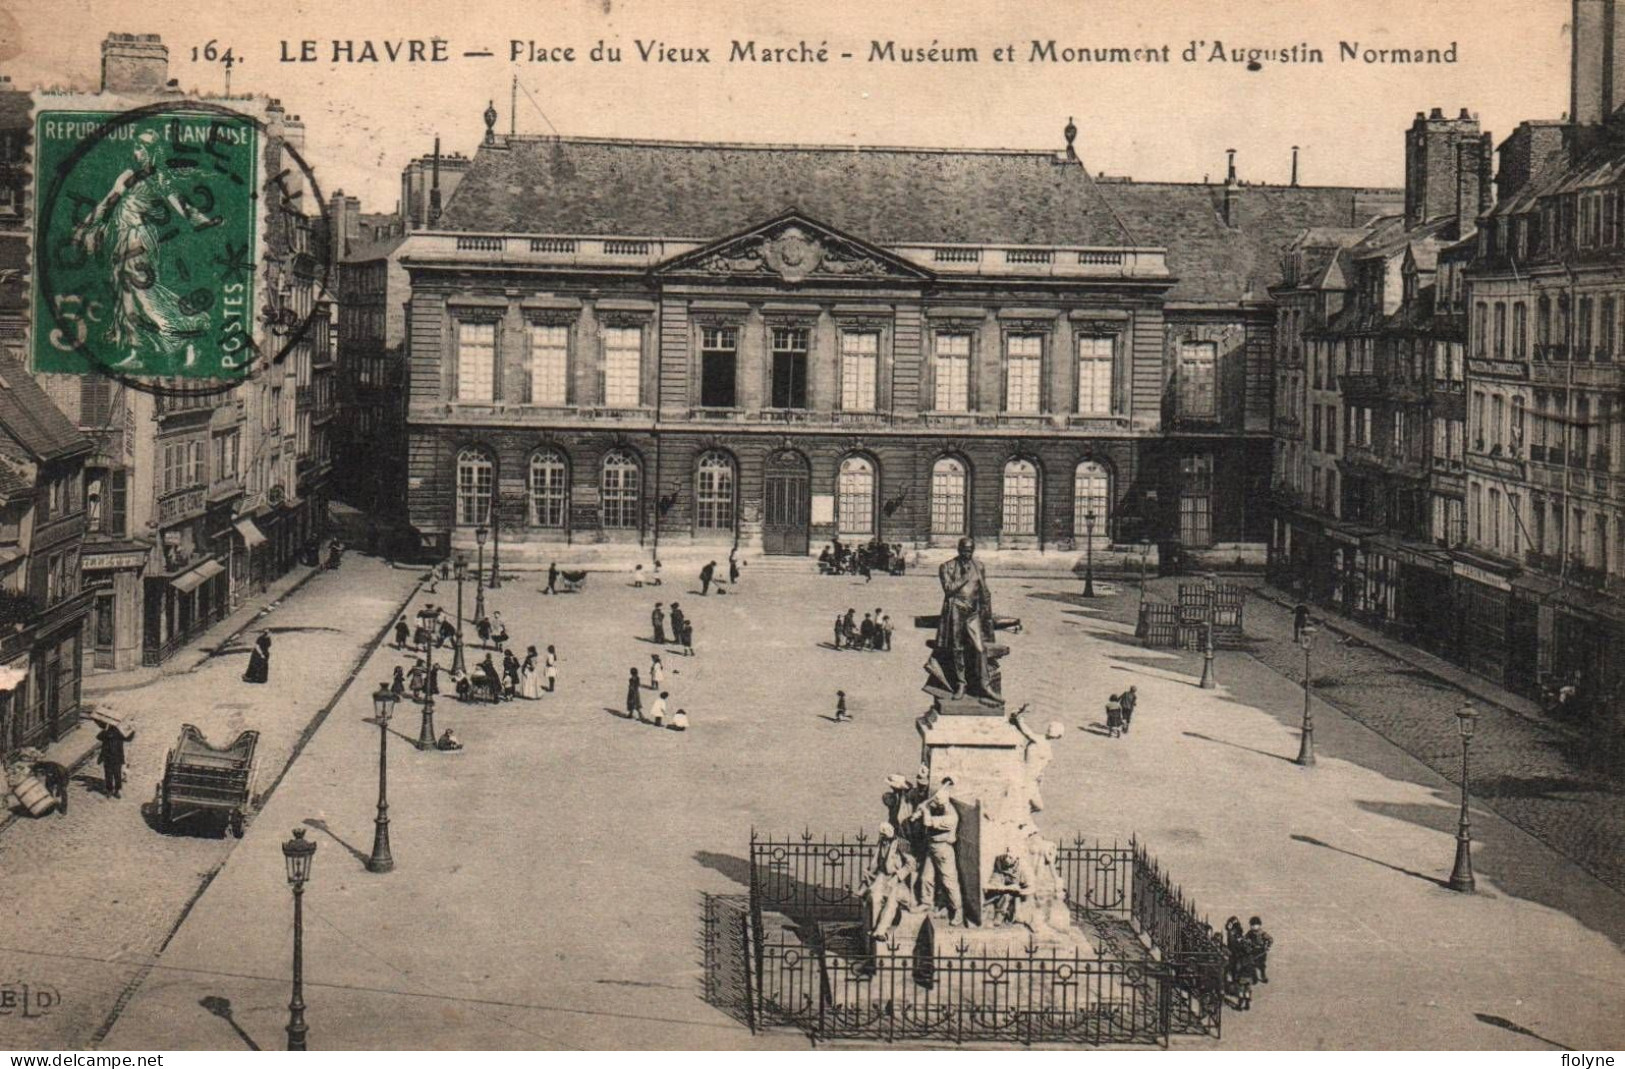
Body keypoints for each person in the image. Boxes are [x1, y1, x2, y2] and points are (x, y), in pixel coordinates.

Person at [934, 538, 998, 701]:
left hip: (972, 613)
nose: (967, 553)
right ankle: (961, 683)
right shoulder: (947, 566)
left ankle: (985, 685)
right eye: (964, 550)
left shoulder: (980, 566)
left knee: (980, 648)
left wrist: (987, 615)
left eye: (970, 550)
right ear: (958, 549)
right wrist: (965, 576)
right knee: (957, 648)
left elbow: (984, 591)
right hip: (955, 610)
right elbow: (948, 589)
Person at [862, 826, 919, 943]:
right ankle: (874, 929)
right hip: (882, 878)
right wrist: (868, 873)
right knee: (874, 896)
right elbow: (875, 862)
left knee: (891, 901)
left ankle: (881, 931)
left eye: (886, 834)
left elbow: (911, 864)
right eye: (882, 834)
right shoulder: (882, 843)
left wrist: (898, 877)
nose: (884, 837)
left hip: (898, 880)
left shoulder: (901, 845)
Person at [919, 779, 964, 924]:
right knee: (926, 878)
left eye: (938, 804)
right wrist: (923, 806)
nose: (936, 806)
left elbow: (928, 822)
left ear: (944, 802)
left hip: (943, 850)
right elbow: (930, 805)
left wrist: (924, 811)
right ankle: (927, 903)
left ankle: (957, 910)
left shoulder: (951, 817)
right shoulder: (941, 807)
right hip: (932, 847)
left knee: (948, 882)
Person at [96, 720, 132, 798]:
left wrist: (132, 731)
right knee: (110, 775)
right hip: (109, 757)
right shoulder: (107, 733)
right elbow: (98, 737)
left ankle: (116, 790)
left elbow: (128, 738)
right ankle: (110, 790)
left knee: (116, 775)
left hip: (116, 758)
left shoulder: (118, 733)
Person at [1246, 916, 1273, 984]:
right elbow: (1245, 939)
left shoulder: (1262, 933)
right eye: (1253, 925)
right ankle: (1254, 977)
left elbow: (1270, 939)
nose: (1254, 927)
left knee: (1261, 964)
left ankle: (1263, 975)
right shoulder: (1250, 933)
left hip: (1261, 951)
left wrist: (1267, 946)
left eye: (1256, 925)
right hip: (1253, 951)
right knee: (1252, 963)